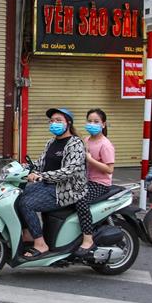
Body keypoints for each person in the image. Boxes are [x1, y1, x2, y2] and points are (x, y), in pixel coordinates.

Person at [16, 108, 87, 258]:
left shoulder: (75, 143)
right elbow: (40, 163)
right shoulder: (51, 142)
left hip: (67, 189)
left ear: (68, 123)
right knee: (17, 196)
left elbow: (69, 170)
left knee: (26, 204)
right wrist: (24, 168)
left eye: (58, 120)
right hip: (49, 185)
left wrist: (40, 176)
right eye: (52, 121)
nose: (54, 123)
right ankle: (28, 234)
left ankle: (41, 245)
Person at [73, 108, 116, 256]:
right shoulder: (86, 140)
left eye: (96, 122)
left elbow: (109, 169)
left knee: (81, 199)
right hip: (85, 180)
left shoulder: (105, 144)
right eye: (89, 121)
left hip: (100, 184)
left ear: (103, 124)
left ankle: (88, 239)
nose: (92, 124)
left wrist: (90, 160)